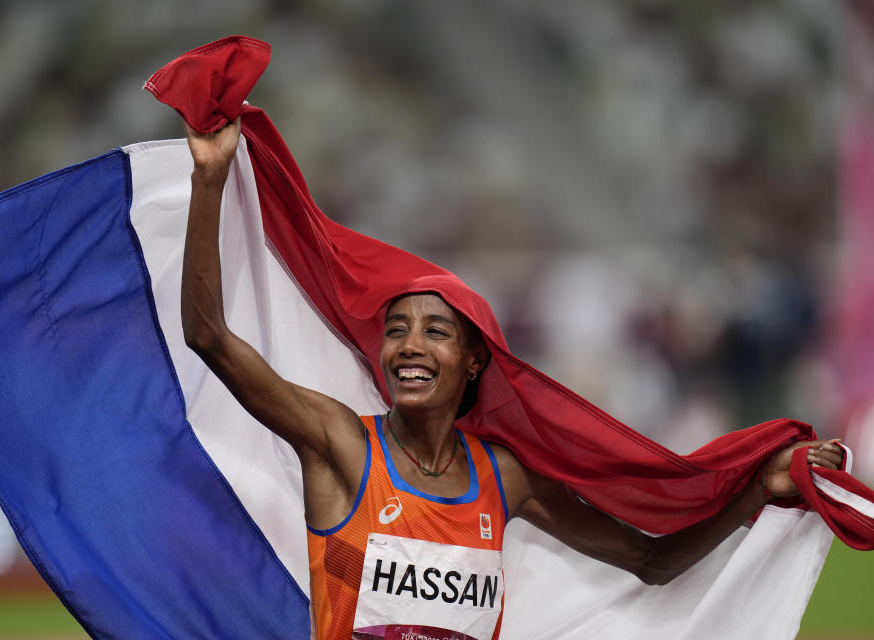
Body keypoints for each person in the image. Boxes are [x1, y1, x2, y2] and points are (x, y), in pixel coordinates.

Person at [180, 117, 844, 640]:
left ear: (474, 360)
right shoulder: (340, 444)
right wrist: (210, 178)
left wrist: (757, 486)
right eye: (396, 329)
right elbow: (209, 335)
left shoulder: (505, 478)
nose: (409, 345)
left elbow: (653, 562)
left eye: (435, 331)